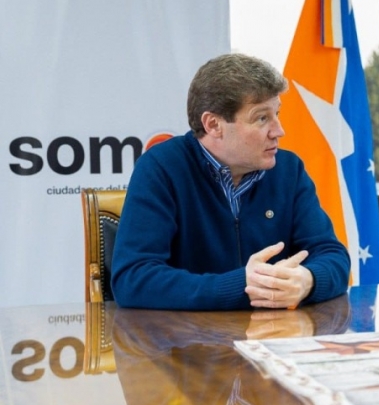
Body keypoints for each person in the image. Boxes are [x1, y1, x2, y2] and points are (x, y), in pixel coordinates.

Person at [111, 53, 350, 310]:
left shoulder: (288, 169)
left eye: (277, 114)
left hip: (274, 339)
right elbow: (133, 279)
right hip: (187, 344)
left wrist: (307, 281)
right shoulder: (161, 168)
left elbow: (332, 255)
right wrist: (241, 286)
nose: (279, 130)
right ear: (214, 124)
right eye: (261, 118)